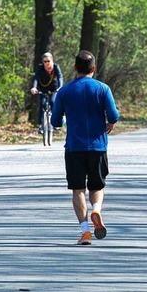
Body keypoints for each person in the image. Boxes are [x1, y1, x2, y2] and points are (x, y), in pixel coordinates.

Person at [51, 50, 120, 245]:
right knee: (97, 185)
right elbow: (113, 115)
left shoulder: (64, 91)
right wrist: (111, 121)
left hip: (74, 147)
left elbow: (55, 121)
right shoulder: (103, 89)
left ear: (75, 67)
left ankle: (85, 231)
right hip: (98, 147)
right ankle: (96, 209)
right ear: (94, 68)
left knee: (78, 189)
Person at [30, 52, 63, 133]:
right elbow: (36, 78)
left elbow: (60, 77)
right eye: (45, 61)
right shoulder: (40, 68)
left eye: (48, 61)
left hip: (54, 88)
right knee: (42, 104)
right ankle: (41, 125)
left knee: (53, 102)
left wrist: (60, 87)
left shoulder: (56, 67)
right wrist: (34, 87)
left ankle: (56, 123)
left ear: (52, 61)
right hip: (43, 88)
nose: (47, 63)